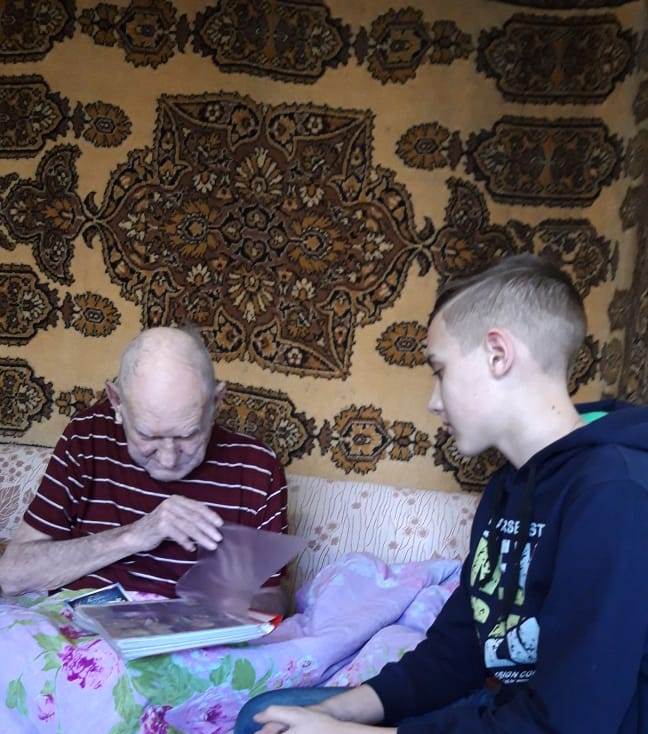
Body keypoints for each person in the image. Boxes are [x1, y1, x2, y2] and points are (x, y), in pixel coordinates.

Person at [235, 254, 648, 733]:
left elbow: (570, 723)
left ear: (498, 354)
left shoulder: (615, 495)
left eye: (440, 370)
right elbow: (455, 653)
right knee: (264, 715)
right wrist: (334, 714)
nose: (433, 401)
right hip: (509, 715)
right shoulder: (507, 487)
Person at [0, 327, 288, 612]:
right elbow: (11, 576)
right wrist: (134, 536)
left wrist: (228, 601)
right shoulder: (87, 436)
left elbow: (273, 601)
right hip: (77, 626)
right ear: (116, 402)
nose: (168, 459)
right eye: (148, 436)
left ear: (216, 402)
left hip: (191, 632)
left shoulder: (257, 468)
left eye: (188, 435)